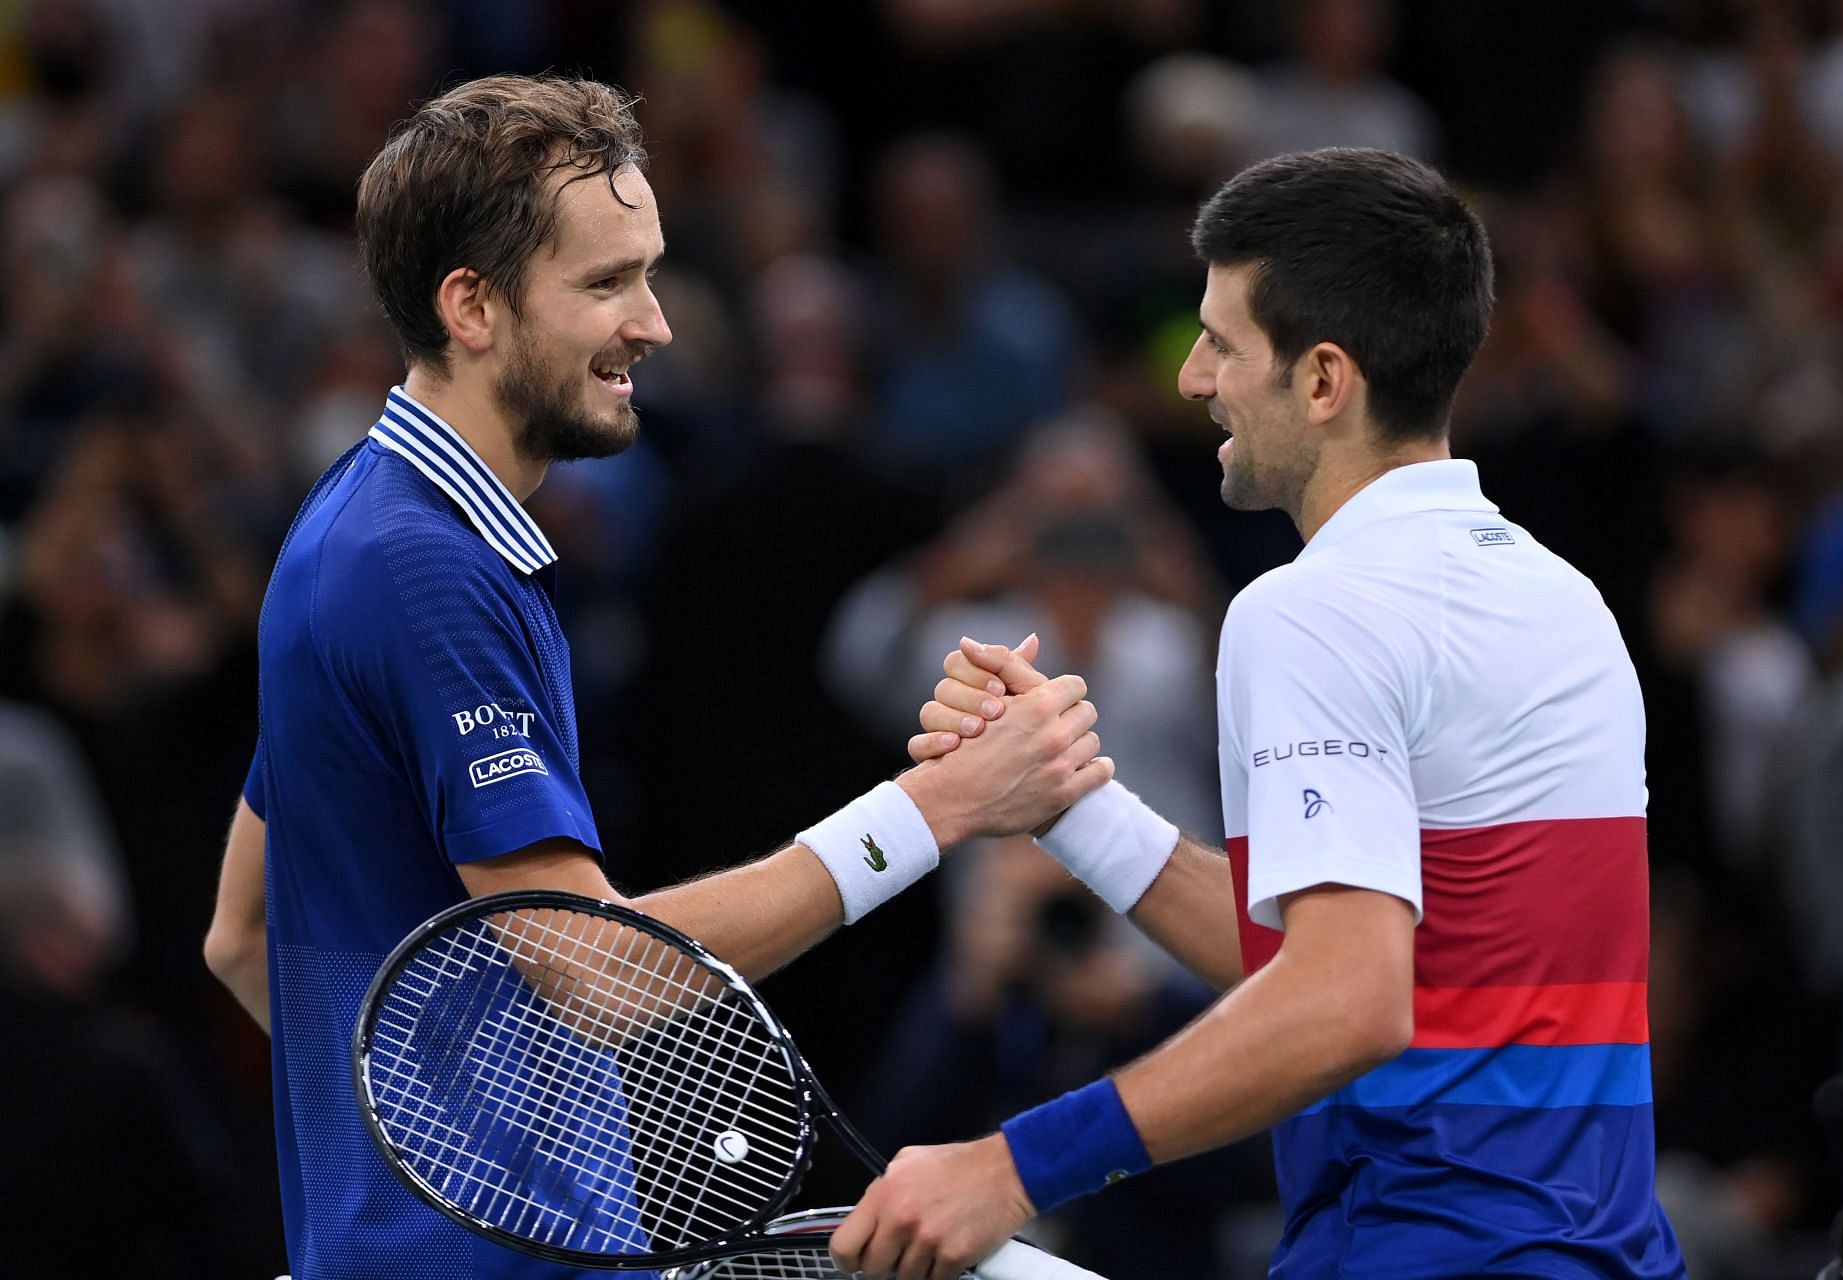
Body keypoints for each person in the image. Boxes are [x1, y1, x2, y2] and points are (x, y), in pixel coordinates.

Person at [200, 75, 1110, 1280]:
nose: (656, 322)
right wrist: (934, 809)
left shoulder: (352, 526)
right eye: (605, 283)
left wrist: (459, 1159)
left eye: (650, 270)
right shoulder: (422, 572)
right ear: (470, 304)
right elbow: (591, 968)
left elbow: (240, 933)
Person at [830, 149, 1688, 1280]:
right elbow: (1345, 961)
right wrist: (1074, 807)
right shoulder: (1561, 597)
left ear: (1325, 379)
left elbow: (1346, 1001)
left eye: (1223, 342)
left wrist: (1013, 1166)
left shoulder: (1309, 609)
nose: (1191, 379)